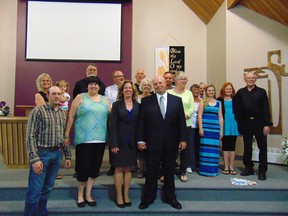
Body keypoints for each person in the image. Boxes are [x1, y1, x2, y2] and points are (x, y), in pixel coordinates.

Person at [137, 76, 187, 210]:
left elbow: (181, 122)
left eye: (160, 83)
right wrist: (140, 139)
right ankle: (148, 198)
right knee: (151, 173)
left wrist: (183, 139)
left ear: (166, 83)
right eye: (156, 84)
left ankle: (171, 197)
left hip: (171, 143)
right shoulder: (146, 101)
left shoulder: (177, 101)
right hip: (152, 143)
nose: (158, 85)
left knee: (170, 173)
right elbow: (141, 122)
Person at [24, 86, 71, 216]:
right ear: (48, 95)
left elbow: (63, 136)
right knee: (35, 190)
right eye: (54, 94)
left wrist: (67, 155)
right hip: (42, 155)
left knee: (47, 188)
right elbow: (30, 136)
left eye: (59, 94)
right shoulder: (38, 111)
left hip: (56, 155)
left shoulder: (62, 113)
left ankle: (41, 212)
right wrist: (34, 159)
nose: (57, 96)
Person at [64, 76, 111, 207]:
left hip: (100, 139)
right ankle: (80, 194)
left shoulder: (105, 100)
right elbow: (71, 116)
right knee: (83, 168)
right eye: (91, 84)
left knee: (94, 168)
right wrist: (67, 134)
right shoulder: (80, 97)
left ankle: (88, 194)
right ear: (87, 86)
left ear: (99, 87)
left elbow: (111, 117)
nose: (93, 86)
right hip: (83, 139)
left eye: (96, 84)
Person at [235, 72, 272, 180]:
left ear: (255, 79)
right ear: (245, 79)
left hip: (259, 123)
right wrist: (240, 125)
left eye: (252, 78)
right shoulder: (240, 93)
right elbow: (238, 110)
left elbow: (266, 109)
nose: (250, 79)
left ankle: (262, 171)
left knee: (262, 147)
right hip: (246, 123)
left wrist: (266, 124)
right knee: (247, 147)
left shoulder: (261, 92)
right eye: (248, 78)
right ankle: (248, 167)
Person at [109, 80, 140, 208]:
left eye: (130, 88)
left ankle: (126, 194)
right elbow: (113, 126)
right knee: (119, 168)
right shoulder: (116, 105)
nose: (128, 90)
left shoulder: (138, 105)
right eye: (125, 88)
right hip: (119, 142)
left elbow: (140, 125)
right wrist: (113, 144)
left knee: (128, 169)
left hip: (132, 143)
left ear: (133, 91)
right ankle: (119, 195)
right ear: (122, 91)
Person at [72, 63, 106, 178]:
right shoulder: (79, 84)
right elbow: (75, 102)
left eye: (94, 69)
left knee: (95, 155)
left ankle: (92, 172)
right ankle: (79, 170)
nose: (92, 71)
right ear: (86, 72)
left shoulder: (102, 84)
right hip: (84, 124)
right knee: (82, 153)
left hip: (98, 126)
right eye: (90, 69)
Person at [168, 72, 194, 182]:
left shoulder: (189, 93)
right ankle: (169, 170)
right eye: (182, 79)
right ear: (176, 80)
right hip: (171, 125)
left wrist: (185, 115)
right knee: (170, 149)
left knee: (185, 149)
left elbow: (191, 107)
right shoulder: (169, 92)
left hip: (186, 124)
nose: (184, 81)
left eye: (186, 79)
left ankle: (182, 170)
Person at [198, 84, 223, 177]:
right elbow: (199, 116)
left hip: (215, 129)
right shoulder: (202, 102)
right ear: (206, 92)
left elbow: (220, 117)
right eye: (209, 90)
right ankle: (204, 170)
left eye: (213, 90)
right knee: (205, 149)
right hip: (205, 129)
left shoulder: (219, 103)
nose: (211, 92)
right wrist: (201, 128)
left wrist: (221, 131)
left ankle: (213, 170)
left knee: (214, 150)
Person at [105, 70, 125, 176]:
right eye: (118, 76)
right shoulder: (109, 89)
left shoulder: (127, 86)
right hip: (113, 118)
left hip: (126, 118)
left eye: (122, 76)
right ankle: (113, 165)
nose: (121, 77)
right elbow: (107, 103)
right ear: (114, 78)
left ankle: (124, 163)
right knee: (113, 142)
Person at [217, 82, 240, 175]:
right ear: (223, 90)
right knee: (225, 146)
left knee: (232, 146)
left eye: (230, 89)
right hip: (224, 124)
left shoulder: (236, 99)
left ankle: (231, 166)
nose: (229, 90)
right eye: (227, 89)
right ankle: (226, 166)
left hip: (234, 124)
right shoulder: (219, 100)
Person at [136, 78, 154, 178]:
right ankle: (140, 169)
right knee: (140, 149)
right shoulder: (137, 98)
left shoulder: (154, 98)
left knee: (150, 149)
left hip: (151, 127)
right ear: (141, 87)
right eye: (144, 85)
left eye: (148, 85)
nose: (146, 87)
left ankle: (149, 169)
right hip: (139, 126)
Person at [187, 84, 201, 172]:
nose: (196, 91)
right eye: (194, 90)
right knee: (190, 145)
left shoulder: (202, 101)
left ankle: (198, 164)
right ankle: (190, 165)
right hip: (191, 125)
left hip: (199, 126)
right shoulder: (189, 100)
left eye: (197, 90)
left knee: (198, 145)